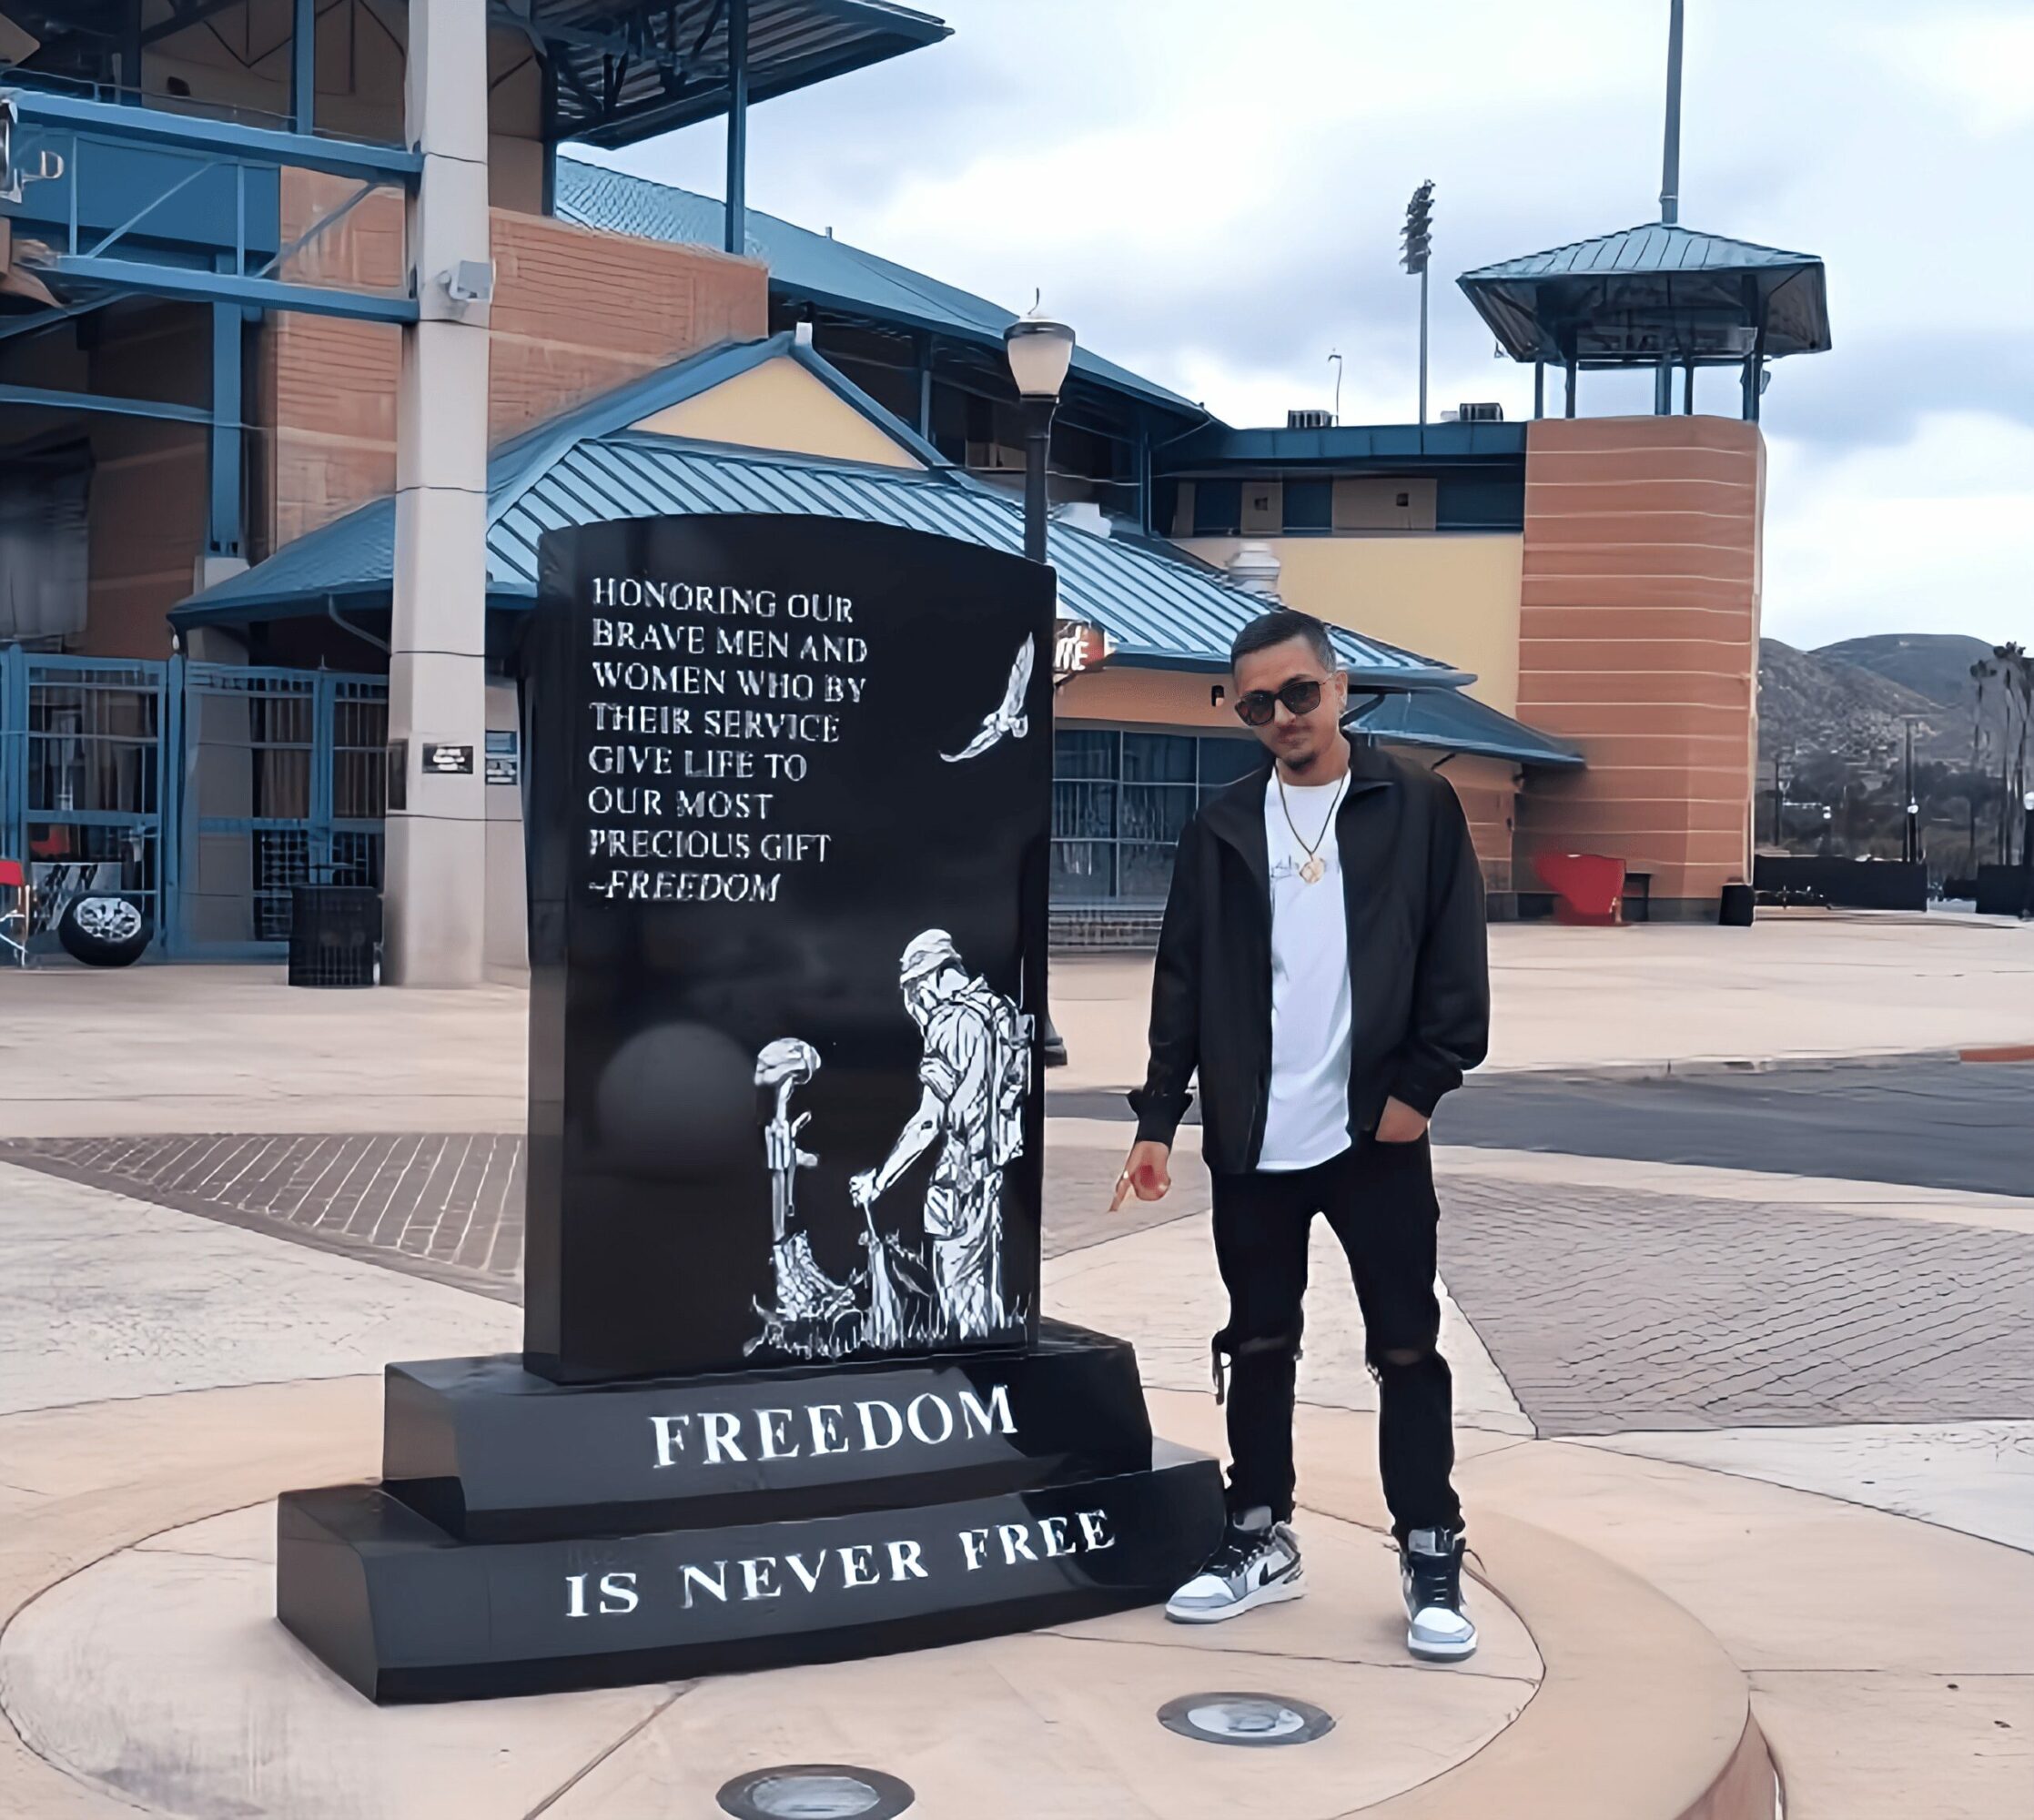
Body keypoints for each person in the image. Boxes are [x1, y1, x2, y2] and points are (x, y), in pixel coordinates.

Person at [1113, 607, 1489, 1662]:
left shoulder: (1416, 803)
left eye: (1299, 692)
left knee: (1405, 1343)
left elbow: (1455, 958)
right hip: (1254, 1140)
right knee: (1258, 1340)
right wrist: (1159, 1116)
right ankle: (1259, 1532)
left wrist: (1421, 1088)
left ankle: (1429, 1543)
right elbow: (1182, 978)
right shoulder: (1224, 824)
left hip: (1377, 1138)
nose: (1281, 714)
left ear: (1339, 687)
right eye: (1257, 704)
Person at [852, 929, 1027, 1341]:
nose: (917, 1004)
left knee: (958, 1294)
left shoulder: (951, 1023)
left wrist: (878, 1182)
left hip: (958, 1180)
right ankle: (989, 1364)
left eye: (915, 992)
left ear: (928, 979)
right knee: (984, 1295)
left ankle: (969, 1366)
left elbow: (928, 1122)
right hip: (991, 1177)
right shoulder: (999, 1010)